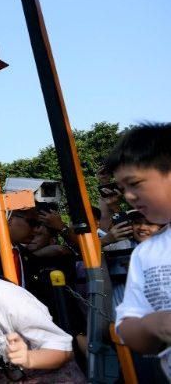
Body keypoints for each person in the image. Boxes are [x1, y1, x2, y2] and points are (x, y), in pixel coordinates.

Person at [104, 122, 171, 378]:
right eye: (123, 189)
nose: (129, 196)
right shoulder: (146, 253)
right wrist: (154, 324)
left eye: (135, 184)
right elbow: (128, 328)